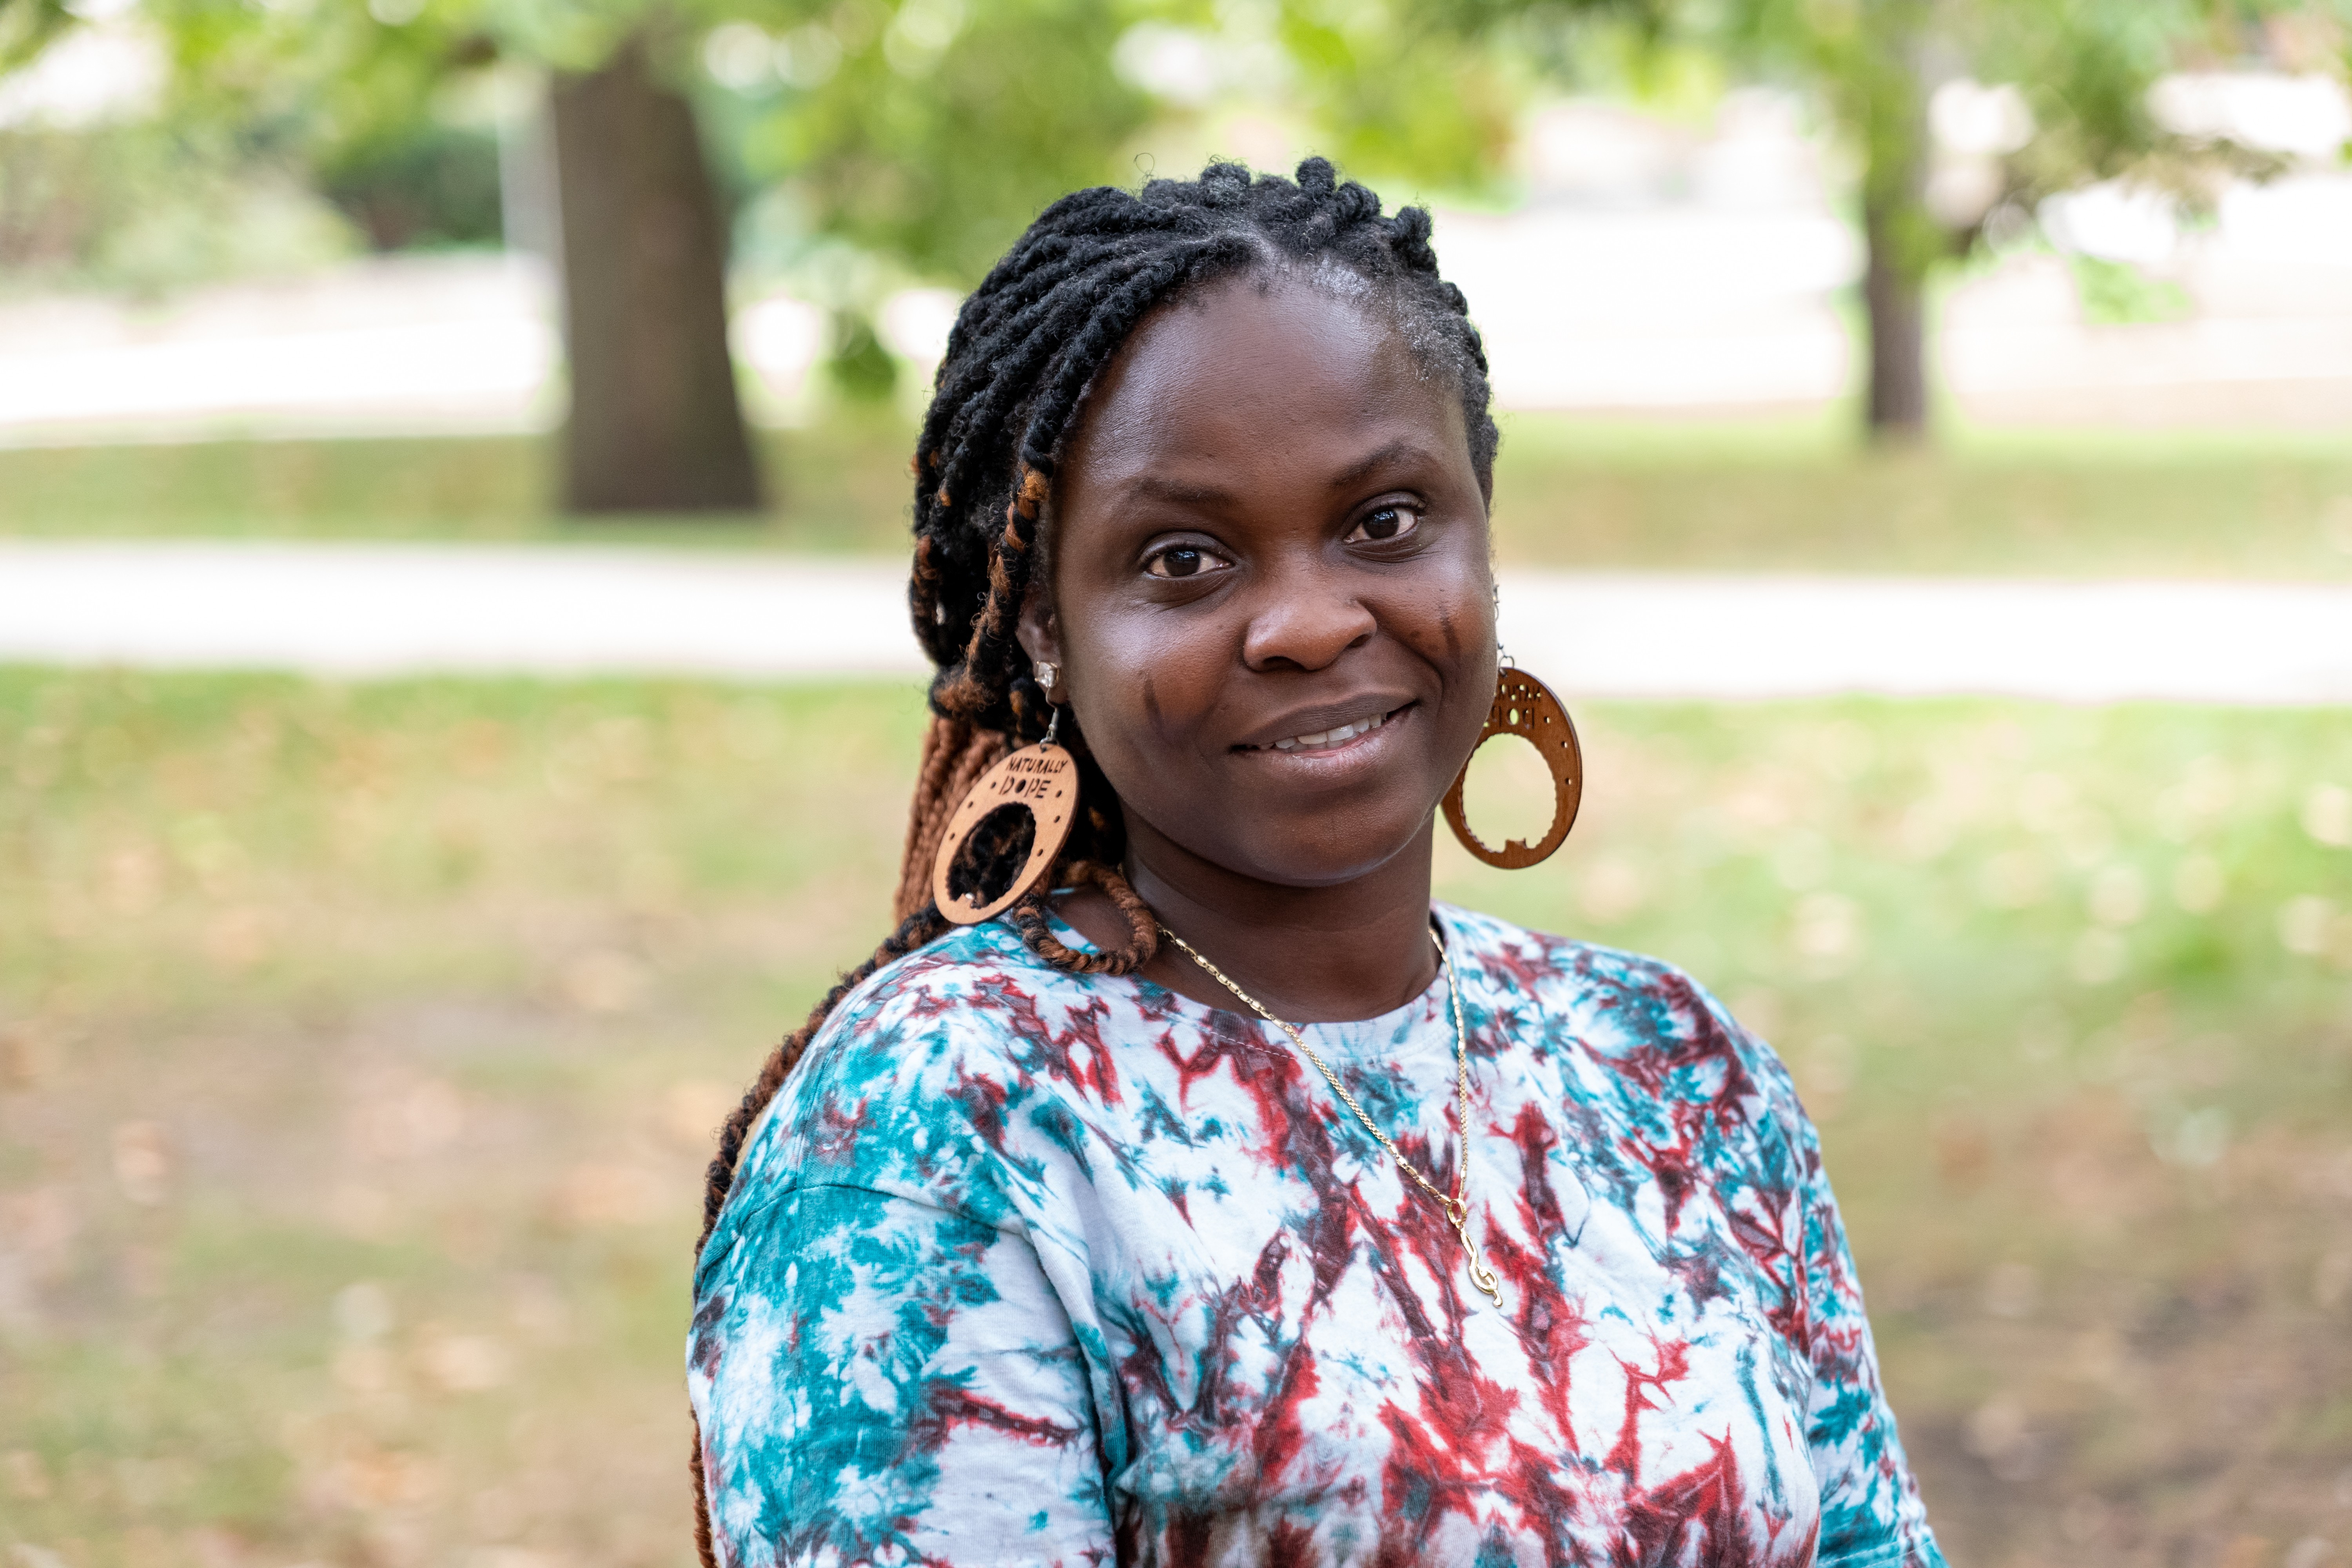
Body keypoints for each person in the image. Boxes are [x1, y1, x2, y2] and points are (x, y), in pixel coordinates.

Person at [686, 158, 1945, 1568]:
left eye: (1385, 523)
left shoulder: (1671, 1066)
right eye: (1182, 559)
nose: (1305, 620)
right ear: (1044, 628)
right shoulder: (941, 1126)